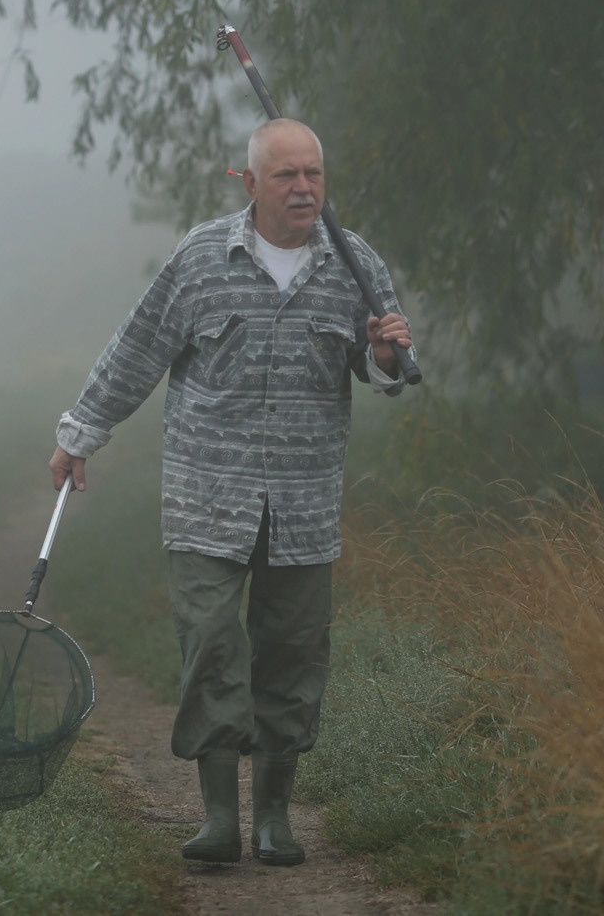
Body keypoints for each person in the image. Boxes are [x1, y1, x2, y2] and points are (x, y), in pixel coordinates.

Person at [48, 117, 415, 867]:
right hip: (205, 498)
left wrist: (383, 352)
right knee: (212, 645)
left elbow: (389, 369)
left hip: (304, 506)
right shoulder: (201, 258)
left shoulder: (355, 263)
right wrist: (80, 432)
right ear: (247, 183)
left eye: (313, 173)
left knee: (292, 656)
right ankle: (219, 819)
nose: (304, 187)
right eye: (286, 176)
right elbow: (138, 348)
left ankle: (274, 818)